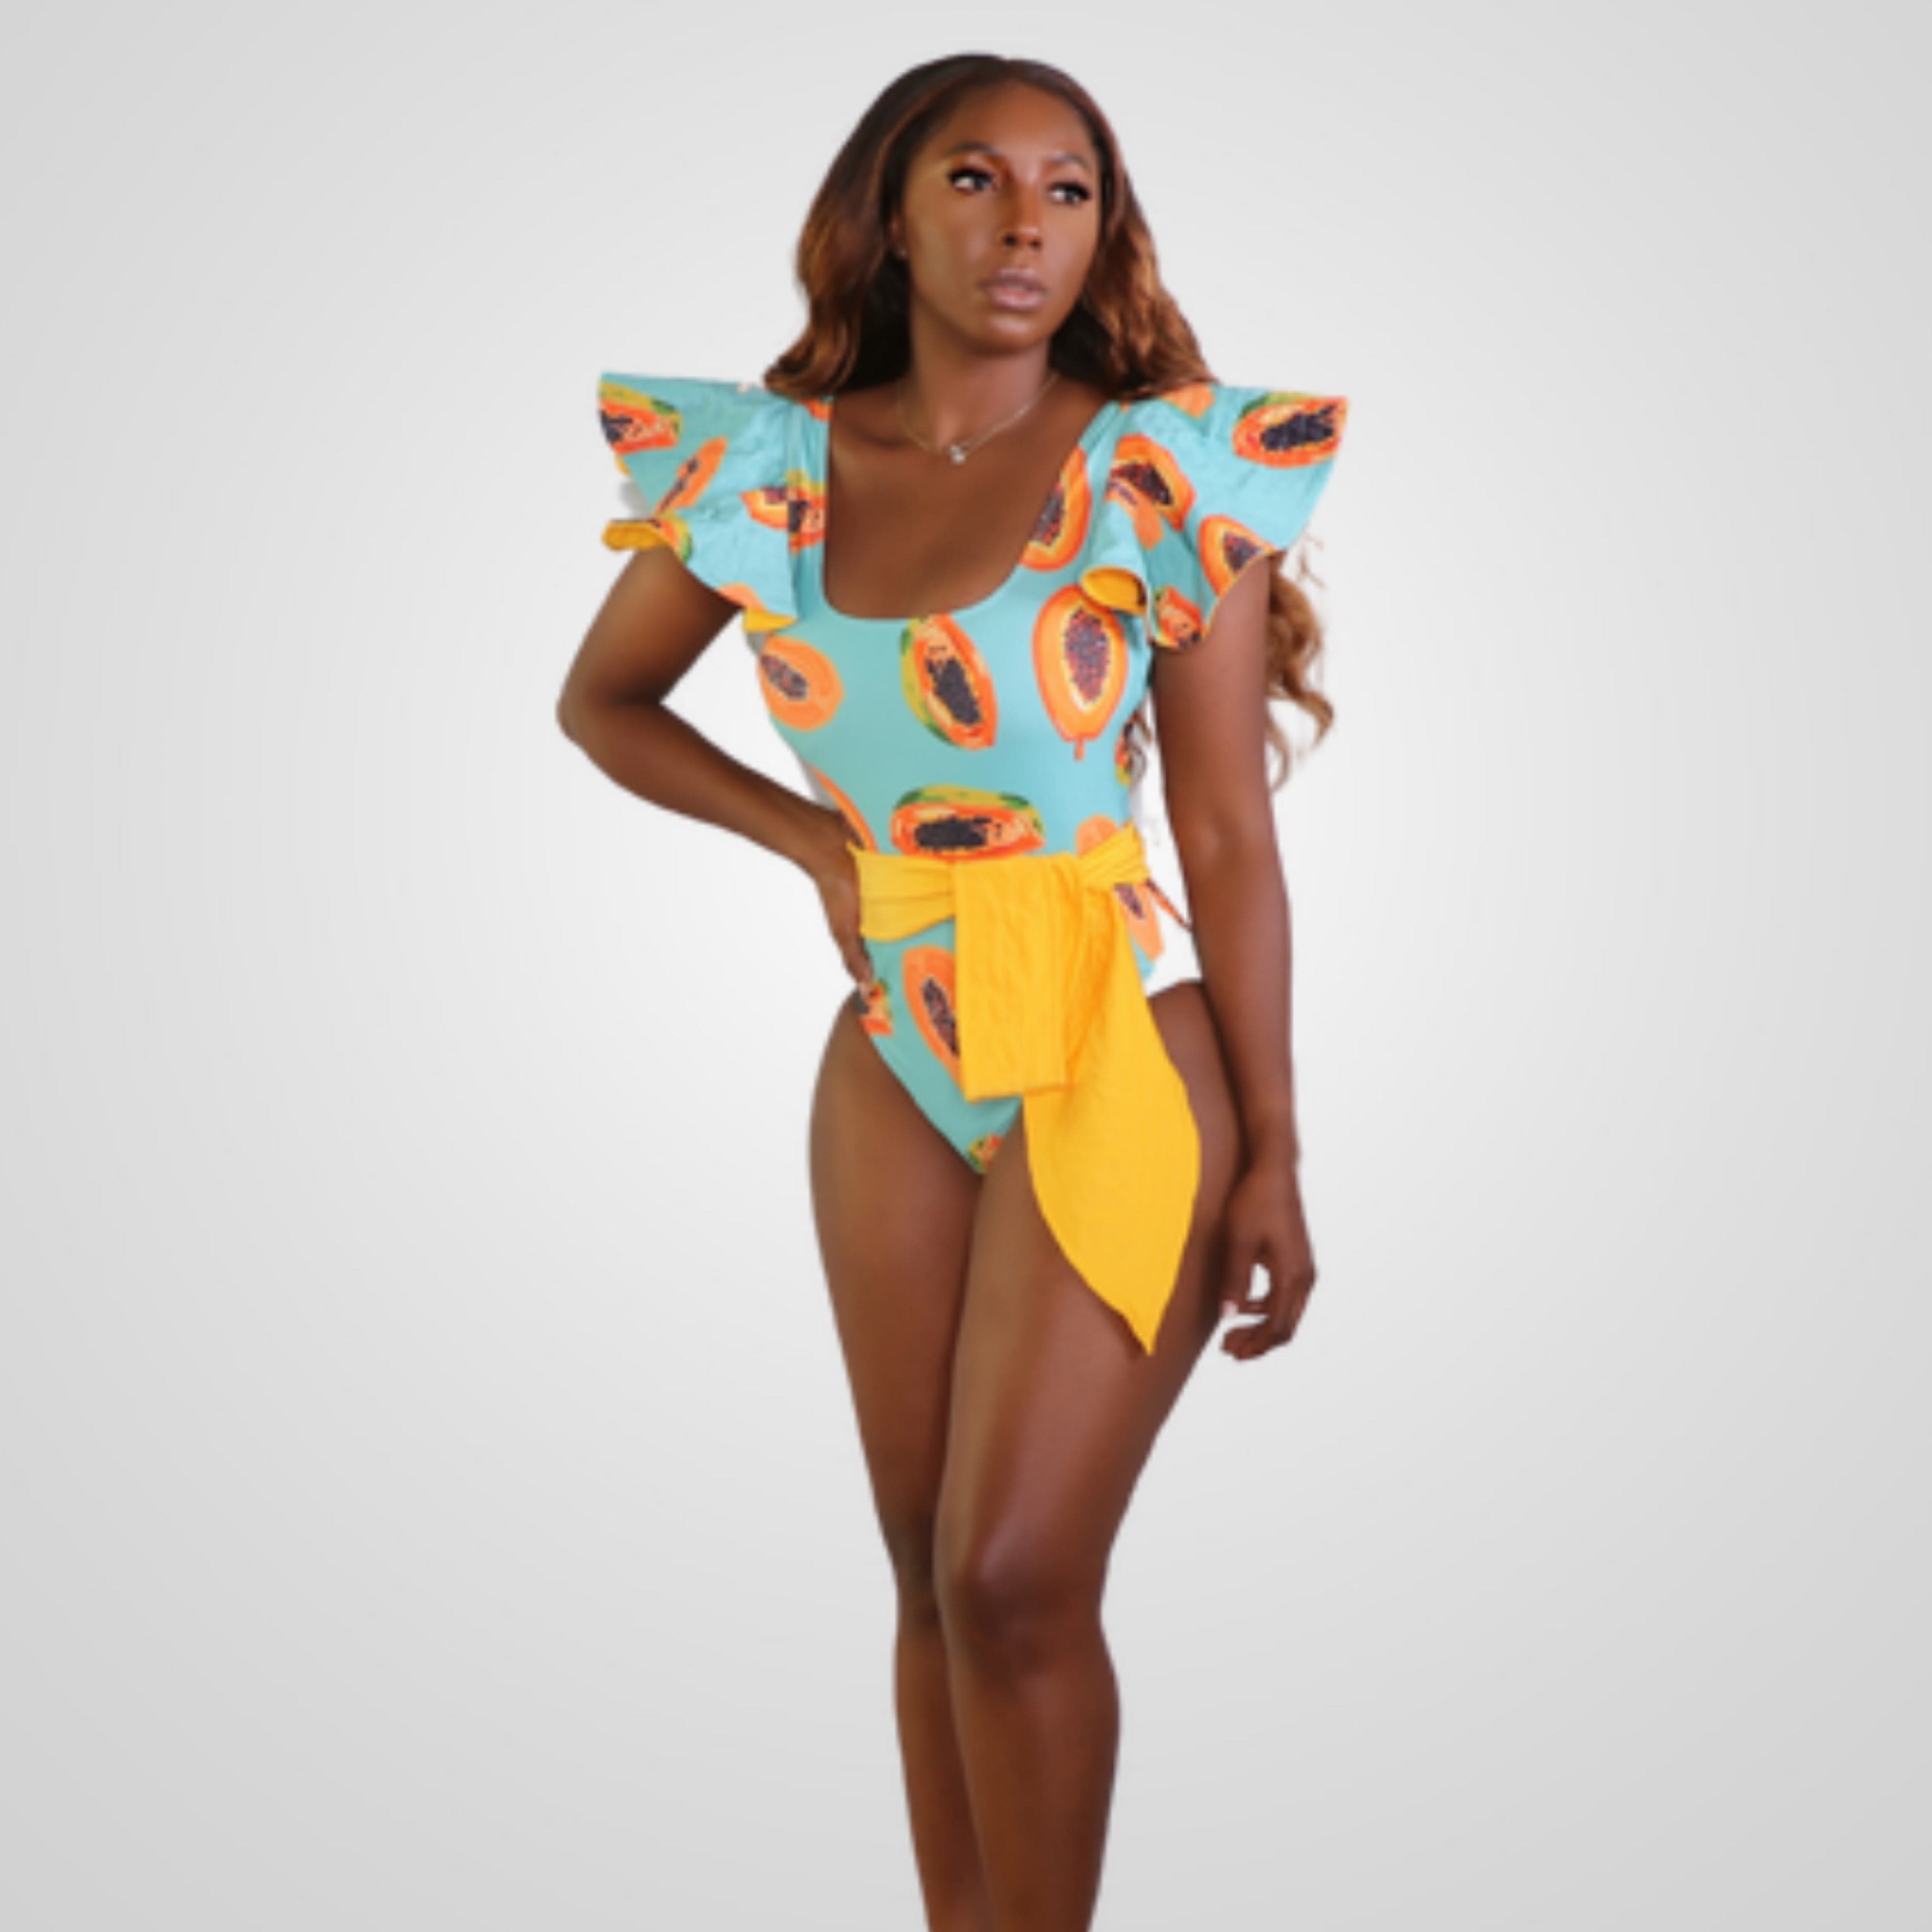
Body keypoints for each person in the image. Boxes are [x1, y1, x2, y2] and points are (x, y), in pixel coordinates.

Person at [557, 50, 1348, 1932]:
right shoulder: (768, 475)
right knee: (924, 1573)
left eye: (1070, 190)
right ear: (889, 218)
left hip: (1116, 1031)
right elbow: (603, 704)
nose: (1024, 226)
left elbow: (1225, 835)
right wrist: (817, 849)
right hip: (894, 1056)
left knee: (1013, 1575)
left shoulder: (1161, 470)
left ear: (1104, 231)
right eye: (978, 180)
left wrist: (1275, 1150)